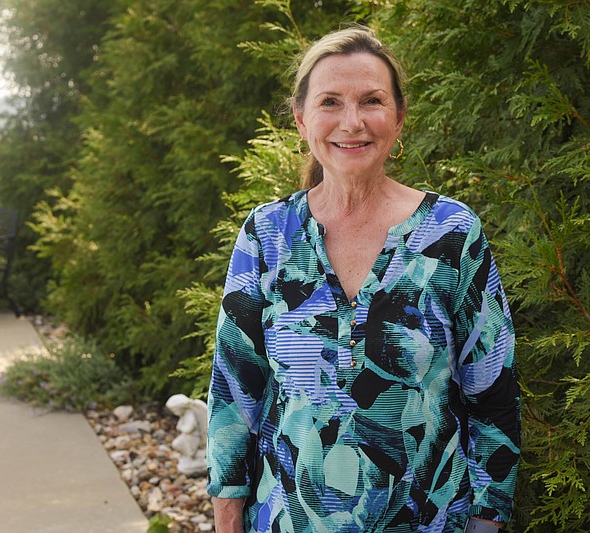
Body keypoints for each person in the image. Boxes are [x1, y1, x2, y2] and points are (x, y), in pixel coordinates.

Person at [206, 25, 520, 533]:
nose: (352, 123)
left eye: (371, 101)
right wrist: (228, 516)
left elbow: (495, 394)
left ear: (398, 118)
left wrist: (488, 519)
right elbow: (233, 393)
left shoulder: (451, 233)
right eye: (330, 101)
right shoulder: (266, 235)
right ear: (301, 117)